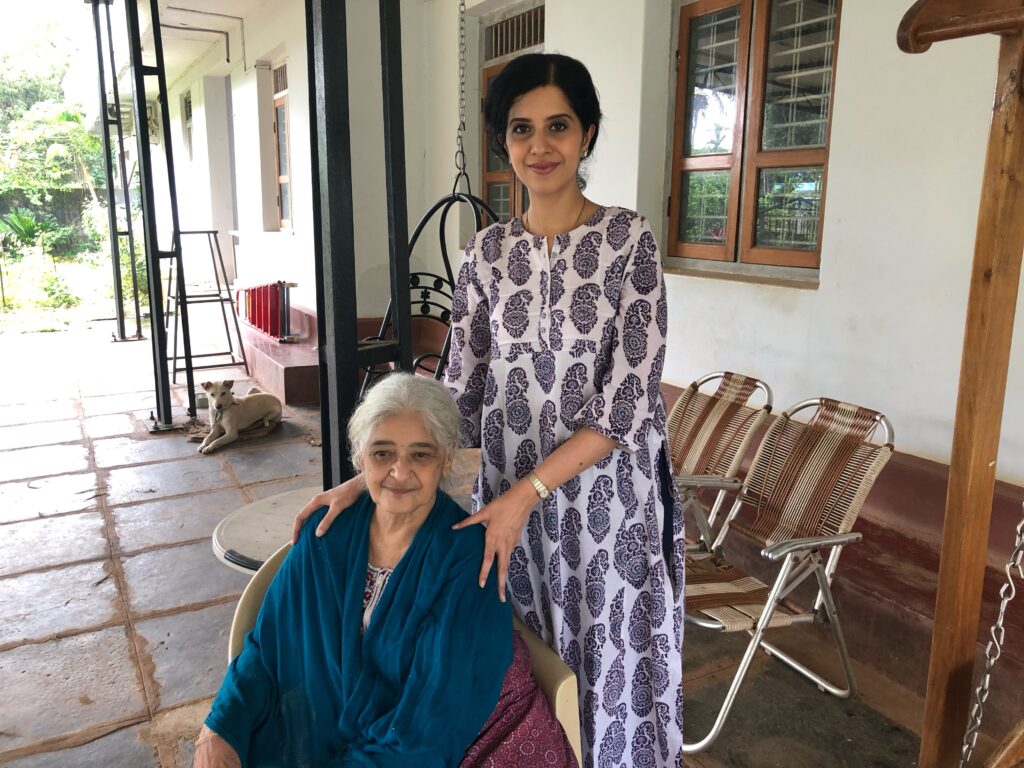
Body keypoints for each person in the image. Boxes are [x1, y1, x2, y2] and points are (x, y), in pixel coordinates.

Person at [295, 53, 684, 767]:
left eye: (558, 127)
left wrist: (530, 495)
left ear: (588, 135)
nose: (540, 146)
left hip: (603, 510)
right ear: (502, 143)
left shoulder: (630, 243)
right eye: (521, 129)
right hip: (502, 502)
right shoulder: (484, 255)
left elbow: (629, 402)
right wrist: (379, 476)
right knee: (522, 663)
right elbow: (459, 395)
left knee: (605, 662)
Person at [196, 373, 576, 768]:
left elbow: (429, 724)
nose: (399, 472)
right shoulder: (325, 535)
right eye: (382, 453)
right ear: (360, 459)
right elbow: (267, 646)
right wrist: (219, 729)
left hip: (442, 743)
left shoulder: (467, 561)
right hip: (330, 736)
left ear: (446, 457)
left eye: (420, 454)